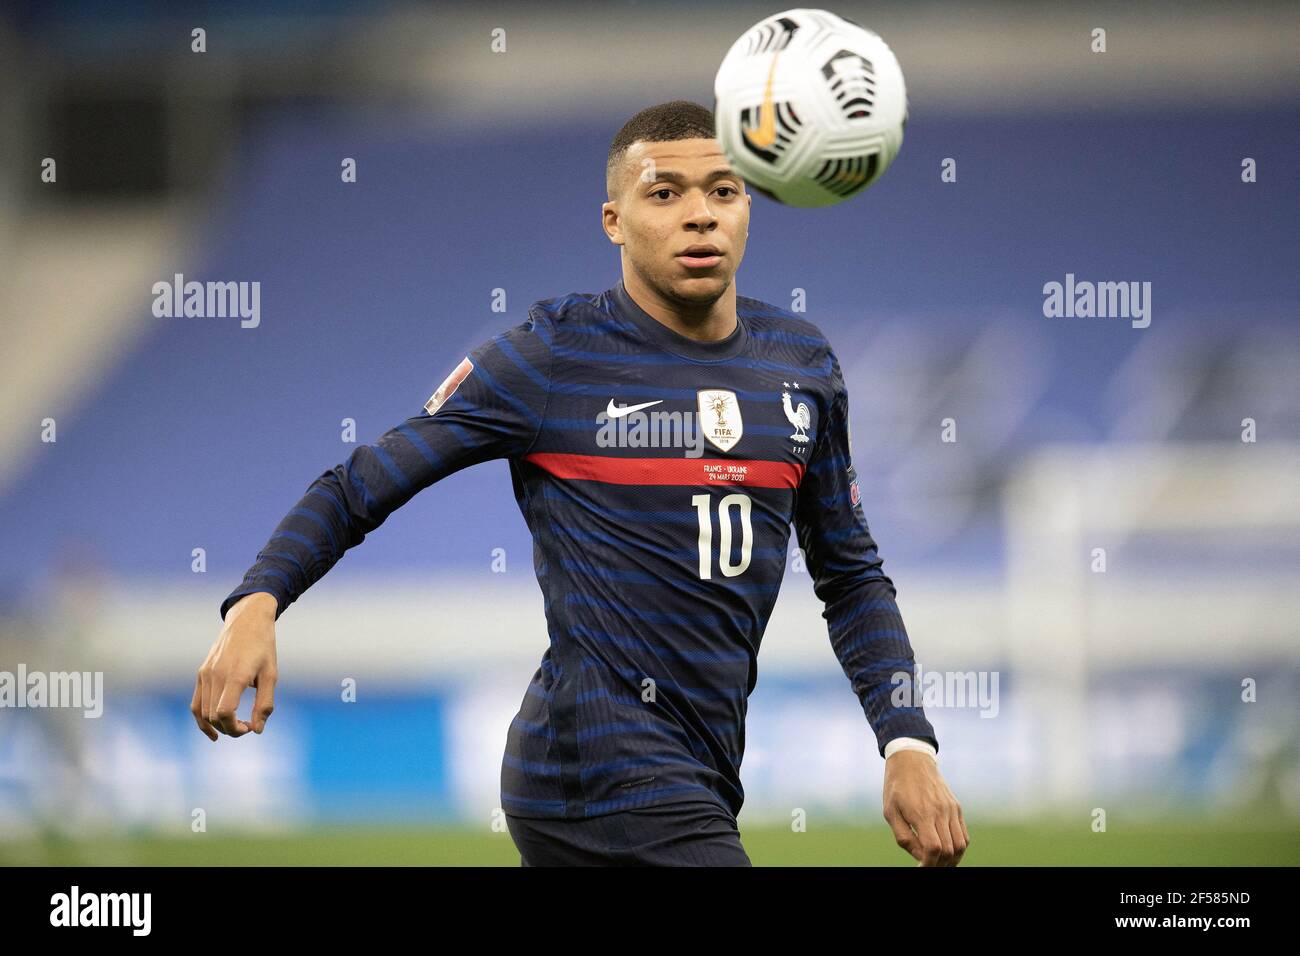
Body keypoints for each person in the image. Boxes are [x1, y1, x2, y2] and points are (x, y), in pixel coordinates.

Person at [192, 100, 969, 867]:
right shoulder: (550, 359)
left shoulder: (800, 364)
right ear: (614, 221)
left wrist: (906, 740)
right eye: (664, 194)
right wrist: (257, 603)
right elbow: (360, 484)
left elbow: (852, 573)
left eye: (723, 191)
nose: (699, 215)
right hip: (595, 771)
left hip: (698, 767)